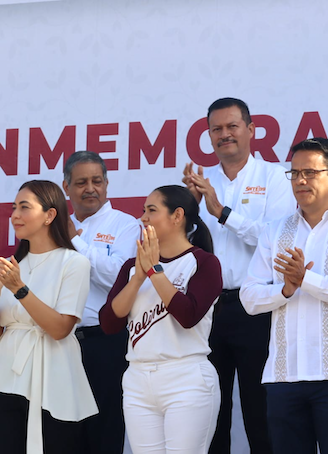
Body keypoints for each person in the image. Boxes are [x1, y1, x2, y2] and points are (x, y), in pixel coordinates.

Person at [240, 138, 328, 454]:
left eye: (310, 173)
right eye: (294, 173)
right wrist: (286, 289)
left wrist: (306, 279)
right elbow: (249, 298)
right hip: (284, 376)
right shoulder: (275, 231)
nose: (300, 181)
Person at [183, 97, 295, 454]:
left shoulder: (275, 177)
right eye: (216, 129)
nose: (224, 134)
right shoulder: (202, 182)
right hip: (208, 310)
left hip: (256, 308)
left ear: (251, 130)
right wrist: (188, 212)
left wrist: (222, 212)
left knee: (260, 412)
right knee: (209, 412)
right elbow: (186, 249)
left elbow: (276, 240)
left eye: (232, 126)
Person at [100, 185, 222, 453]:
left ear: (177, 216)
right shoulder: (131, 267)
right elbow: (109, 322)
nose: (143, 217)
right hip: (138, 379)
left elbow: (188, 315)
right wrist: (138, 277)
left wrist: (155, 271)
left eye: (151, 210)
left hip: (186, 377)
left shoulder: (204, 262)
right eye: (144, 210)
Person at [0, 180, 97, 454]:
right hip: (6, 376)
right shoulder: (12, 266)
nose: (15, 215)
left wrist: (19, 289)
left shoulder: (74, 263)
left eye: (24, 207)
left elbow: (60, 328)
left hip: (53, 378)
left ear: (49, 215)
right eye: (14, 208)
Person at [62, 150, 140, 454]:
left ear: (107, 184)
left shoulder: (126, 225)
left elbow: (118, 281)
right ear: (66, 187)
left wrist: (75, 241)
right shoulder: (54, 227)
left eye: (97, 181)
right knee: (64, 433)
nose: (90, 188)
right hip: (61, 342)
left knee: (105, 432)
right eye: (81, 182)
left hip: (106, 342)